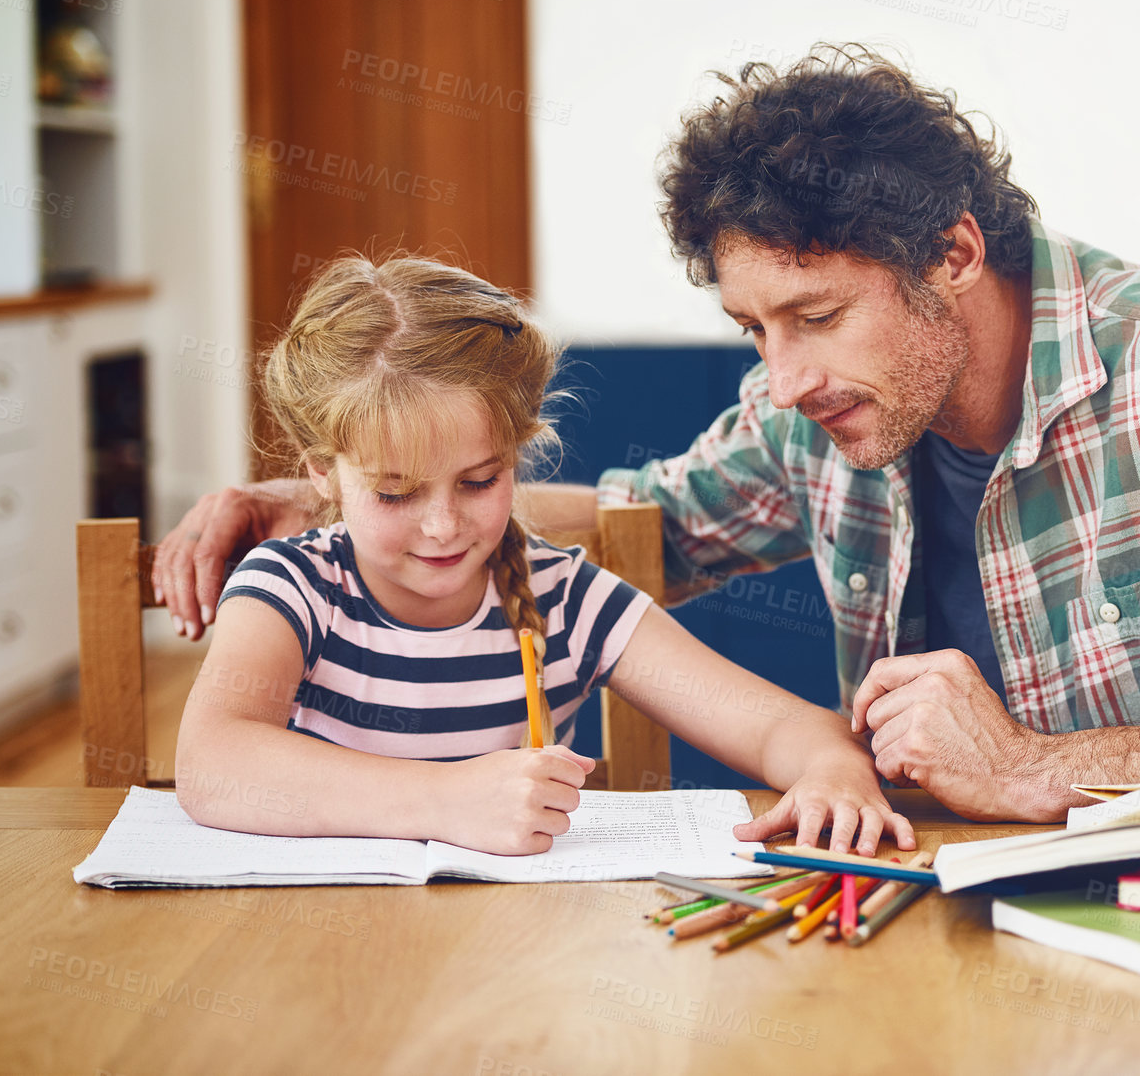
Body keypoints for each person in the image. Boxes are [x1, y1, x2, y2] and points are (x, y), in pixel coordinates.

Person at [158, 45, 1140, 824]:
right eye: (754, 329)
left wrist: (1043, 768)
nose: (782, 374)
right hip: (914, 915)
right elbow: (645, 523)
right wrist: (327, 498)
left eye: (811, 313)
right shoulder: (818, 409)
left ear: (953, 254)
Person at [173, 253, 914, 858]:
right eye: (394, 494)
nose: (441, 527)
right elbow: (212, 760)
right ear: (320, 473)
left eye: (478, 481)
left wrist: (831, 770)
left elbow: (781, 726)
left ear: (519, 456)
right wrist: (443, 799)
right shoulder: (293, 586)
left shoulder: (565, 597)